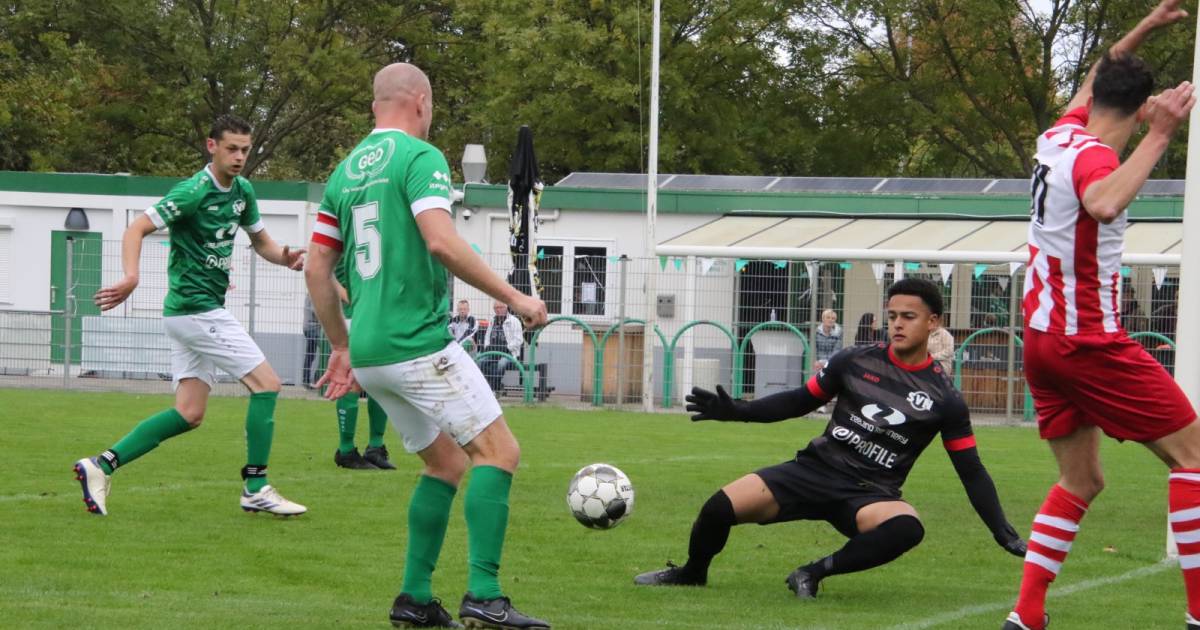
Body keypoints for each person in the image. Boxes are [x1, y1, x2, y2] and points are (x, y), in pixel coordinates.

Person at [305, 62, 551, 629]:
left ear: (376, 105)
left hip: (371, 354)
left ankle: (414, 599)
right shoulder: (421, 158)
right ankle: (485, 595)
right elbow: (441, 243)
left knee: (443, 464)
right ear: (421, 101)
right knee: (499, 453)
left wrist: (341, 345)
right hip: (417, 343)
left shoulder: (343, 174)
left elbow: (318, 269)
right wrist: (517, 298)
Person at [635, 278, 1025, 599]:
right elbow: (799, 401)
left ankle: (811, 573)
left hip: (869, 493)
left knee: (907, 528)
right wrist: (738, 410)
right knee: (717, 508)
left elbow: (971, 470)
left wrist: (1001, 529)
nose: (897, 325)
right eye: (892, 316)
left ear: (934, 323)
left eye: (909, 316)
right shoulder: (854, 361)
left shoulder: (945, 399)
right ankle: (692, 573)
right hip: (813, 471)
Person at [1004, 3, 1200, 629]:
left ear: (1096, 97)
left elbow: (1094, 75)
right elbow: (1104, 204)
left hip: (1040, 340)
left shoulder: (1056, 135)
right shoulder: (1094, 157)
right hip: (1086, 340)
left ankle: (1027, 614)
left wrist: (1145, 25)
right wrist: (1163, 133)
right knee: (1194, 460)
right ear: (1142, 108)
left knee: (1081, 481)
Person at [75, 115, 307, 517]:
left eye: (245, 150)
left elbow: (263, 243)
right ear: (211, 146)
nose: (239, 157)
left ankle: (100, 465)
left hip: (194, 313)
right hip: (196, 309)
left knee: (189, 413)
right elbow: (136, 229)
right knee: (267, 385)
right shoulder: (193, 192)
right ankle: (255, 485)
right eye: (231, 148)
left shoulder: (243, 192)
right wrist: (131, 276)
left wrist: (284, 259)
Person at [330, 257, 395, 471]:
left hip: (378, 317)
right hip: (351, 317)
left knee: (380, 380)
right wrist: (346, 295)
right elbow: (320, 267)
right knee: (352, 383)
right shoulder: (340, 227)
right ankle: (346, 449)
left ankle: (375, 448)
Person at [479, 301, 524, 393]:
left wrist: (507, 348)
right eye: (496, 308)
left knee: (501, 364)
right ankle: (496, 385)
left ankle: (493, 389)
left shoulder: (514, 321)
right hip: (493, 351)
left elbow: (519, 340)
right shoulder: (492, 321)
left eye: (500, 307)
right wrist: (487, 347)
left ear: (506, 307)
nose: (498, 310)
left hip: (508, 353)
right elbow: (487, 337)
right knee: (479, 361)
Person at [302, 295, 321, 388]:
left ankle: (306, 380)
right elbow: (316, 312)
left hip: (307, 327)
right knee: (327, 351)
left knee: (310, 355)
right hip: (314, 328)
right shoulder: (314, 294)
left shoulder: (309, 294)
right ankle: (318, 379)